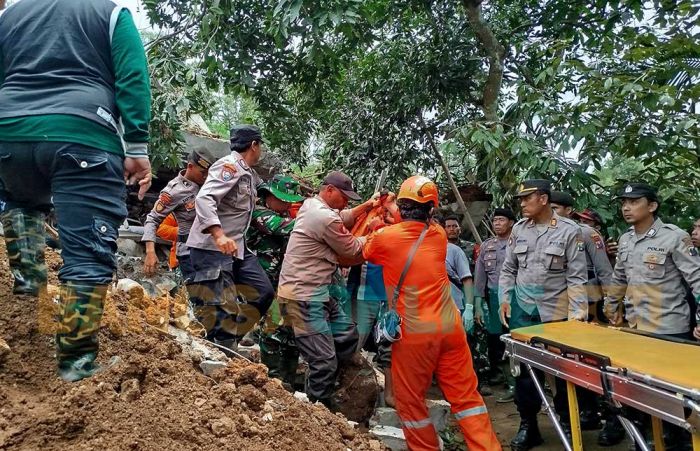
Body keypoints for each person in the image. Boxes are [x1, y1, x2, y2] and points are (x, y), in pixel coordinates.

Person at [0, 0, 151, 382]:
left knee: (20, 199)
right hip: (82, 134)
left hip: (9, 133)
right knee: (86, 253)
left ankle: (29, 283)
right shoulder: (111, 14)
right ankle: (76, 364)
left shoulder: (9, 16)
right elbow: (132, 77)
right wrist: (135, 148)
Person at [363, 175, 501, 451]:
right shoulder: (437, 235)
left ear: (401, 208)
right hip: (450, 330)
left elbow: (363, 249)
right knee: (467, 400)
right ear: (430, 209)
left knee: (410, 402)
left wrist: (381, 211)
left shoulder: (384, 239)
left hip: (415, 335)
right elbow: (417, 223)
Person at [604, 182, 700, 449]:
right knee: (637, 391)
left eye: (634, 202)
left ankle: (678, 442)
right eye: (624, 202)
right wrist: (611, 307)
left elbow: (697, 279)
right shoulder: (626, 239)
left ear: (652, 206)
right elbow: (619, 277)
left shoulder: (674, 237)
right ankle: (644, 441)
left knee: (673, 397)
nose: (626, 207)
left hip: (669, 328)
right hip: (636, 329)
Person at [499, 179, 588, 451]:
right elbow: (508, 269)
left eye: (527, 198)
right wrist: (505, 298)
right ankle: (529, 426)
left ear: (544, 199)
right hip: (524, 312)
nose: (522, 204)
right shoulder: (518, 230)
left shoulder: (569, 231)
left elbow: (576, 277)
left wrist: (578, 314)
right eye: (521, 199)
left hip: (556, 314)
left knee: (562, 374)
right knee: (523, 373)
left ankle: (568, 424)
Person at [277, 171, 377, 407]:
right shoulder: (324, 218)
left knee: (346, 336)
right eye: (344, 197)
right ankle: (317, 410)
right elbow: (352, 250)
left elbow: (343, 216)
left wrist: (367, 207)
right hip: (302, 297)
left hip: (316, 293)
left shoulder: (312, 205)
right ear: (329, 190)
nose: (346, 203)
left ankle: (322, 380)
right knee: (324, 361)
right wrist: (375, 232)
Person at [186, 125, 274, 354]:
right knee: (223, 307)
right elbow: (205, 199)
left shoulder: (248, 173)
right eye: (260, 146)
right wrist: (218, 234)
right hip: (211, 248)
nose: (261, 150)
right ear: (254, 145)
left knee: (263, 292)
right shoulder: (229, 166)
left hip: (236, 249)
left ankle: (224, 341)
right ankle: (220, 351)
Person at [246, 174, 305, 387]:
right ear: (269, 196)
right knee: (271, 330)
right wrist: (315, 221)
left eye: (289, 201)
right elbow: (281, 227)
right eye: (283, 200)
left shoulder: (286, 214)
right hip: (263, 282)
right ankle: (271, 377)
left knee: (290, 332)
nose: (286, 204)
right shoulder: (260, 212)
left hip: (284, 282)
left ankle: (287, 379)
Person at [142, 149, 214, 280]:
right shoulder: (174, 191)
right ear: (190, 167)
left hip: (211, 251)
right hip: (190, 254)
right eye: (202, 173)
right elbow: (152, 220)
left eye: (208, 174)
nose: (205, 177)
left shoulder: (209, 185)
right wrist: (150, 251)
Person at [443, 215, 491, 396]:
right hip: (448, 302)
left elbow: (476, 275)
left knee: (478, 337)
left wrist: (474, 304)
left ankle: (483, 378)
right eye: (448, 226)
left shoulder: (471, 248)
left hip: (469, 296)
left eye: (455, 226)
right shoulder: (435, 247)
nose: (452, 229)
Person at [473, 208, 516, 403]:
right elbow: (480, 278)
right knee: (497, 340)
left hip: (516, 297)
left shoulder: (518, 243)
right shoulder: (486, 246)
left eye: (501, 220)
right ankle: (509, 381)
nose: (497, 223)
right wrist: (477, 303)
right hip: (492, 297)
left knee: (516, 339)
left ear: (511, 223)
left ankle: (519, 384)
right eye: (495, 220)